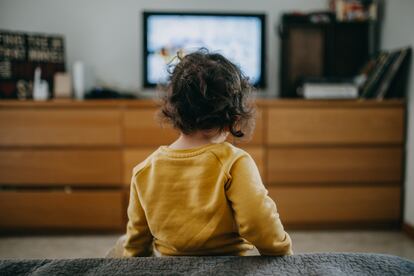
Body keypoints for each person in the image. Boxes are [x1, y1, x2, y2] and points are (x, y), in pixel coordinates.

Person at [123, 50, 292, 257]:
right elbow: (258, 222)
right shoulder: (234, 162)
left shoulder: (145, 169)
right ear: (233, 115)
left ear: (173, 109)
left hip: (170, 266)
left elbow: (137, 241)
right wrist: (282, 250)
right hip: (227, 266)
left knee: (120, 243)